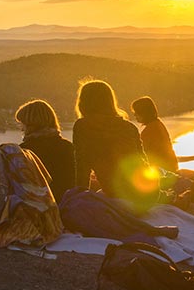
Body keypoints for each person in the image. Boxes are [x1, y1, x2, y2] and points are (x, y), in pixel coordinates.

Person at [72, 80, 155, 208]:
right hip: (146, 192)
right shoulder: (129, 127)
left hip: (118, 194)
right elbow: (144, 162)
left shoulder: (83, 126)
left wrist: (80, 200)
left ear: (83, 102)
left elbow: (82, 166)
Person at [15, 99, 75, 201]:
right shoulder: (68, 147)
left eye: (22, 124)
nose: (21, 129)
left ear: (30, 124)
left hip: (39, 209)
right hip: (69, 206)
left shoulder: (25, 151)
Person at [131, 96, 179, 174]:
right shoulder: (158, 124)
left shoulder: (150, 130)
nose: (135, 115)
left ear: (144, 113)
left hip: (162, 169)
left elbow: (141, 152)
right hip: (170, 166)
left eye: (137, 112)